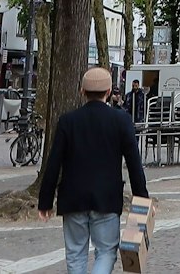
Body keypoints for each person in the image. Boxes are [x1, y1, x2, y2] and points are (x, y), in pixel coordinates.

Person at [37, 67, 148, 274]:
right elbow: (134, 163)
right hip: (106, 198)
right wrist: (142, 198)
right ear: (108, 92)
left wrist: (45, 200)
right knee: (106, 251)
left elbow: (54, 163)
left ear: (82, 92)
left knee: (75, 253)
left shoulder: (67, 121)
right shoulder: (121, 120)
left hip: (73, 199)